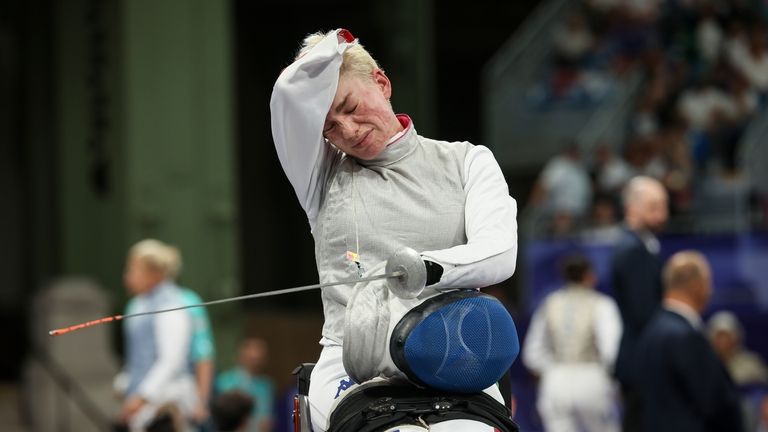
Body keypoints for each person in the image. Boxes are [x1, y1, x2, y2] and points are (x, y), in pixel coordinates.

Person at [270, 29, 518, 431]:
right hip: (355, 364)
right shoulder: (321, 176)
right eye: (330, 127)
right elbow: (287, 100)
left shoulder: (467, 161)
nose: (346, 130)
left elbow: (500, 252)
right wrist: (332, 46)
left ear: (382, 83)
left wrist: (424, 266)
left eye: (350, 107)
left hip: (455, 352)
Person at [634, 251, 744, 432]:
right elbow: (715, 403)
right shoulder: (685, 337)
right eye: (709, 283)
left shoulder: (651, 331)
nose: (710, 290)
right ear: (697, 286)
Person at [523, 254, 622, 432]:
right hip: (591, 377)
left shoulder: (550, 303)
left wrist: (550, 370)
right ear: (589, 275)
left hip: (556, 379)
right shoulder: (602, 304)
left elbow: (532, 353)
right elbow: (611, 350)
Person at [116, 239, 197, 431]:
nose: (127, 277)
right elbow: (138, 354)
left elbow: (171, 361)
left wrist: (143, 396)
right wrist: (124, 381)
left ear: (154, 274)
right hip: (143, 400)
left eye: (133, 270)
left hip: (168, 400)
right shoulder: (137, 305)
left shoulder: (171, 305)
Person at [609, 175, 667, 432]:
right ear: (632, 208)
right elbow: (644, 312)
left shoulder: (641, 244)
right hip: (642, 361)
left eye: (664, 206)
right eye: (654, 207)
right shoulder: (633, 249)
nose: (663, 214)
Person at [215, 338, 274, 432]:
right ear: (241, 355)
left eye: (259, 358)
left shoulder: (266, 385)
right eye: (251, 358)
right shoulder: (224, 382)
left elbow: (268, 417)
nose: (255, 362)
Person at [179, 287, 216, 428]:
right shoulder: (138, 304)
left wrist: (201, 401)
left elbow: (204, 353)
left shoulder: (187, 301)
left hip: (183, 402)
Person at [707, 310, 768, 386]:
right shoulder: (704, 365)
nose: (723, 342)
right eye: (718, 336)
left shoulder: (751, 364)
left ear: (736, 338)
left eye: (727, 336)